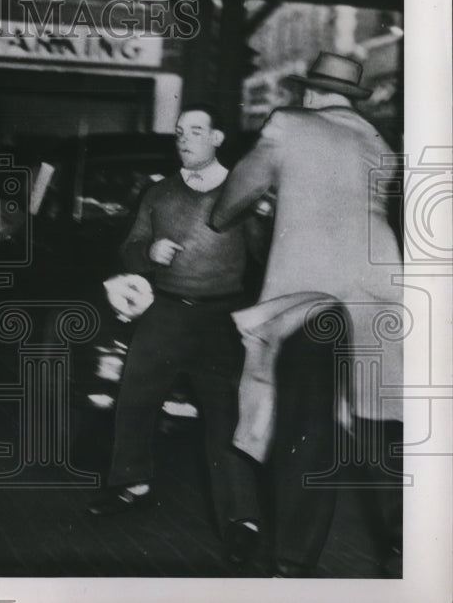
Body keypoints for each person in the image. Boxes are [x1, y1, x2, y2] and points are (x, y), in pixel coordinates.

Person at [210, 52, 404, 577]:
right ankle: (404, 548)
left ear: (310, 94)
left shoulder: (287, 125)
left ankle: (294, 564)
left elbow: (225, 209)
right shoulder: (378, 142)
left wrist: (264, 199)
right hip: (383, 293)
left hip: (311, 300)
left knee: (306, 426)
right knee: (377, 426)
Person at [87, 104, 263, 565]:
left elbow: (265, 256)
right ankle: (129, 485)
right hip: (163, 312)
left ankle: (240, 518)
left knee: (225, 417)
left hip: (220, 318)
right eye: (181, 131)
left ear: (218, 138)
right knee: (134, 398)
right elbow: (127, 250)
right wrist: (149, 251)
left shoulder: (242, 195)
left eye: (197, 131)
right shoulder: (159, 193)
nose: (185, 139)